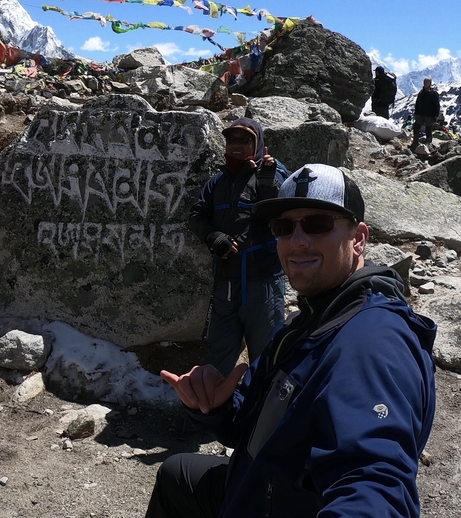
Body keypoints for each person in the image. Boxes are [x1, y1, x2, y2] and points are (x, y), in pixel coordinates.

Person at [146, 163, 437, 518]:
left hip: (278, 502)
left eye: (318, 224)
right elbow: (258, 420)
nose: (298, 241)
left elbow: (373, 482)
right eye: (284, 227)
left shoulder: (372, 340)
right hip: (262, 486)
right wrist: (216, 407)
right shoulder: (309, 320)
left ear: (359, 238)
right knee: (179, 475)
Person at [189, 117, 286, 377]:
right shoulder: (217, 182)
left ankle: (260, 416)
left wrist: (268, 185)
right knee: (218, 359)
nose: (236, 144)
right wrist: (213, 237)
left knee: (267, 362)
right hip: (226, 284)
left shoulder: (271, 174)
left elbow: (282, 216)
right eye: (232, 139)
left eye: (245, 140)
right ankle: (212, 413)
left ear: (258, 144)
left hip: (263, 283)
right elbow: (196, 215)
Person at [410, 77, 440, 152]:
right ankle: (415, 142)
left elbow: (437, 105)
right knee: (416, 126)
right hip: (420, 114)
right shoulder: (421, 92)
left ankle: (428, 143)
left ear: (430, 83)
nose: (425, 83)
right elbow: (417, 103)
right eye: (425, 82)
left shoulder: (433, 93)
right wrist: (416, 113)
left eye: (427, 82)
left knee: (428, 129)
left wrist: (436, 115)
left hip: (429, 115)